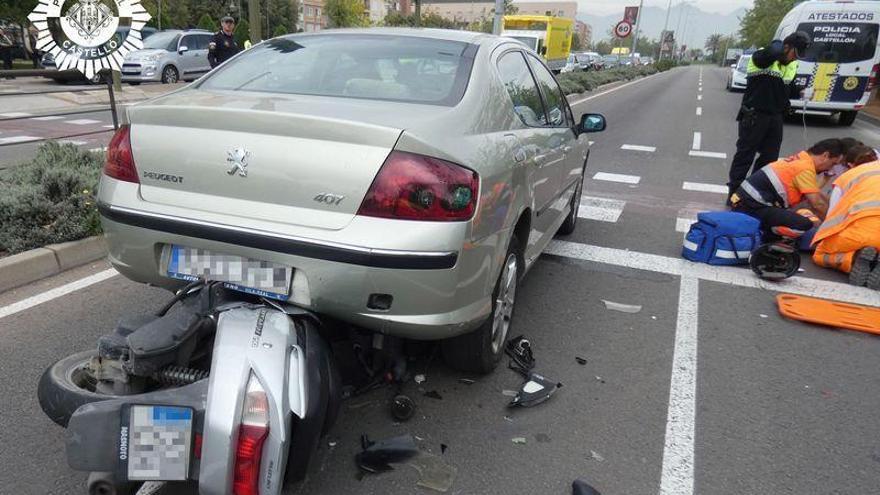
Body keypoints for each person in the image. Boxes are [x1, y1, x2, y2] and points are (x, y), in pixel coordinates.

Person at [727, 31, 812, 202]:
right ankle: (735, 193)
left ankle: (753, 191)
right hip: (754, 115)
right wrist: (780, 47)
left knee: (769, 158)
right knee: (745, 156)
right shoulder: (762, 58)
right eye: (795, 53)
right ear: (786, 47)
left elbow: (786, 86)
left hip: (775, 117)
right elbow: (770, 53)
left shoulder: (791, 65)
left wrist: (801, 92)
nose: (796, 58)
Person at [730, 138, 845, 237]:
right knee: (803, 224)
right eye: (833, 164)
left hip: (746, 202)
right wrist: (834, 224)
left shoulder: (801, 158)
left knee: (803, 212)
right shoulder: (804, 168)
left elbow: (811, 193)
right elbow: (817, 203)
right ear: (825, 156)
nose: (831, 168)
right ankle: (766, 233)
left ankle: (767, 229)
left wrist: (824, 180)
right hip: (752, 207)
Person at [811, 153, 880, 287]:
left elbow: (832, 217)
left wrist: (820, 237)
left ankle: (851, 259)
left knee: (819, 254)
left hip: (862, 234)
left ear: (849, 165)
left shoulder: (847, 177)